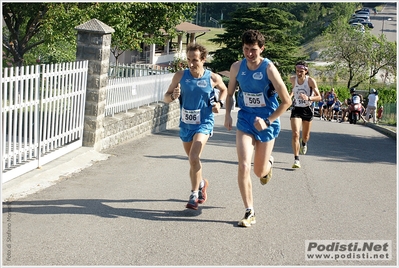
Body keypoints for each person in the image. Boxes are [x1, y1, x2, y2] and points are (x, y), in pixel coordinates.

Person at [224, 30, 291, 227]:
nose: (249, 54)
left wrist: (268, 121)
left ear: (261, 48)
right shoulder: (237, 67)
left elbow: (286, 101)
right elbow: (229, 94)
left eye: (253, 50)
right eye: (246, 49)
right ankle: (249, 211)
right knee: (244, 165)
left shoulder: (269, 68)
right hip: (245, 119)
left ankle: (268, 163)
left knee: (259, 172)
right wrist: (228, 113)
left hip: (266, 121)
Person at [164, 43, 227, 210]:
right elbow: (166, 97)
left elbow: (225, 89)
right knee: (193, 161)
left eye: (195, 60)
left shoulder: (212, 78)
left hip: (204, 123)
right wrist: (173, 96)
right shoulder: (180, 76)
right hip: (186, 125)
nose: (191, 64)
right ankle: (201, 184)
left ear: (204, 60)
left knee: (193, 157)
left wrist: (219, 103)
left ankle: (193, 195)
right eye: (189, 60)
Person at [289, 61, 322, 168]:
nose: (299, 73)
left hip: (307, 109)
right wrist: (289, 96)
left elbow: (319, 97)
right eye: (297, 71)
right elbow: (293, 90)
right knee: (295, 134)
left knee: (305, 136)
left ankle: (304, 143)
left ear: (306, 71)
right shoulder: (292, 79)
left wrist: (308, 98)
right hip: (296, 109)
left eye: (301, 71)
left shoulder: (310, 81)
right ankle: (296, 159)